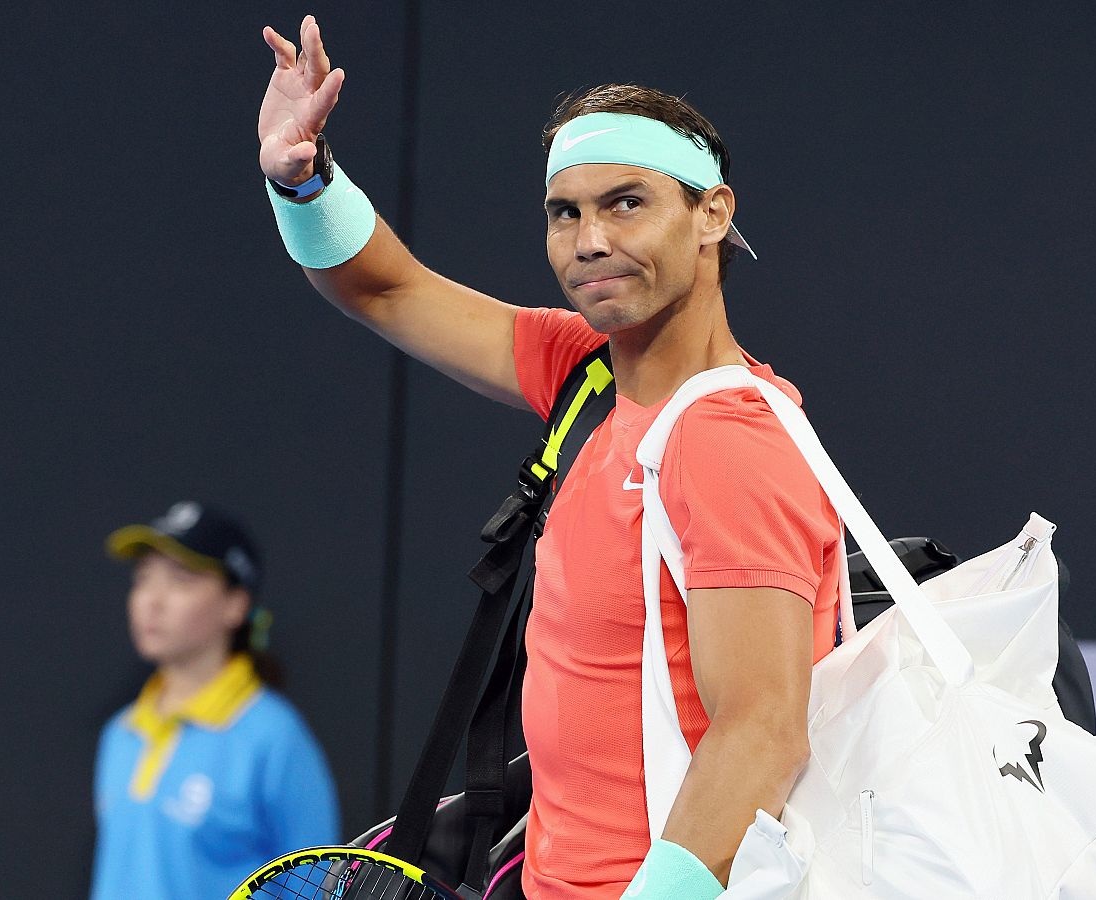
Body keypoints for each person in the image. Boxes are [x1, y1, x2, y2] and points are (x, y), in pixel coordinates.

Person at [258, 17, 844, 900]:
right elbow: (387, 286)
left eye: (626, 202)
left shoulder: (728, 441)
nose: (589, 241)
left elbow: (761, 736)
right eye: (564, 212)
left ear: (712, 212)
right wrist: (301, 182)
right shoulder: (588, 374)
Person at [89, 501, 339, 900]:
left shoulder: (275, 738)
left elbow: (316, 887)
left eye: (181, 580)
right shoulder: (120, 733)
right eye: (144, 578)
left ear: (235, 604)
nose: (152, 600)